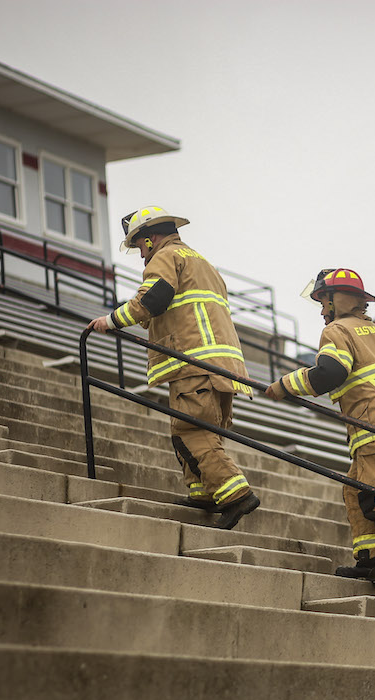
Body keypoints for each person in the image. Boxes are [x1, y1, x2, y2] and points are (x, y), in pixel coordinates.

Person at [264, 269, 375, 600]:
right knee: (355, 491)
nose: (321, 309)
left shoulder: (337, 330)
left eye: (322, 301)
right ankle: (374, 562)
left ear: (335, 299)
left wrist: (285, 386)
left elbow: (331, 372)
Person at [87, 206, 259, 530]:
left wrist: (110, 321)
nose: (140, 255)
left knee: (191, 429)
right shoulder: (202, 262)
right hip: (223, 365)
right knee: (191, 431)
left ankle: (237, 495)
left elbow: (155, 297)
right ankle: (204, 494)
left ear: (150, 240)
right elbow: (176, 309)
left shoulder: (163, 257)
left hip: (192, 362)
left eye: (138, 246)